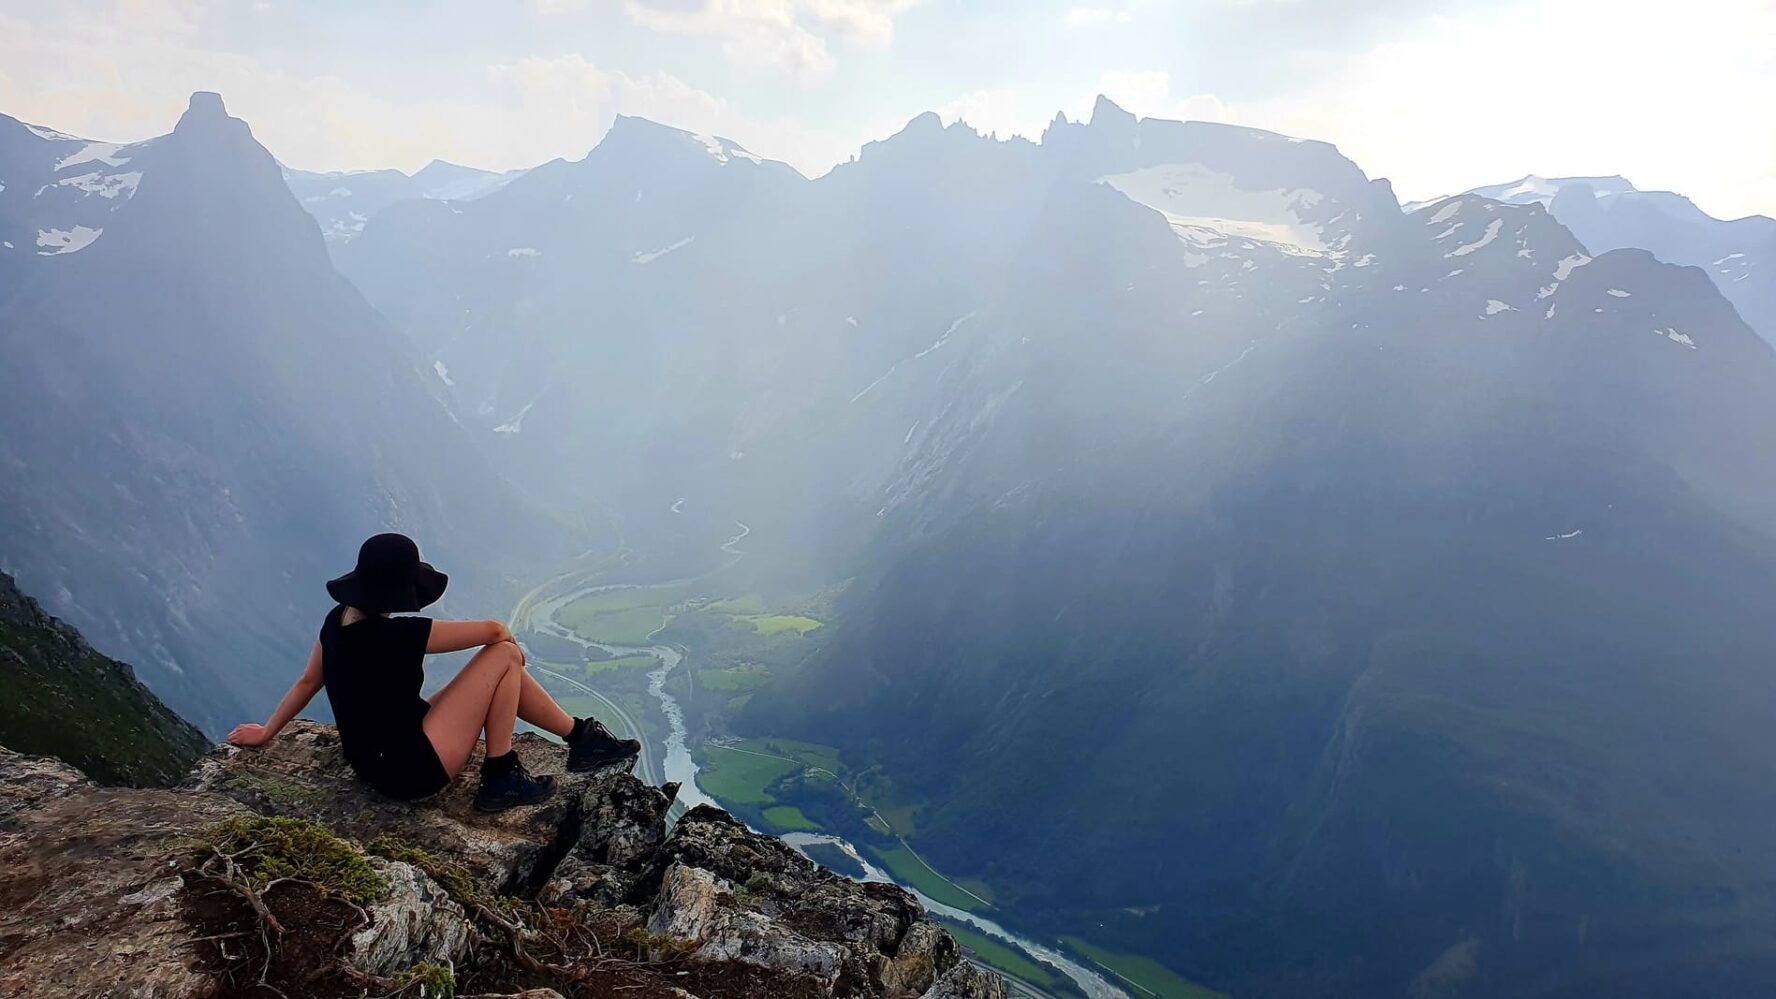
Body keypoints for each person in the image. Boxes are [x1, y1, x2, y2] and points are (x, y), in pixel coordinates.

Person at [227, 532, 639, 811]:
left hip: (377, 759)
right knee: (504, 657)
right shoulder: (398, 634)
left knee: (499, 665)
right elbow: (495, 632)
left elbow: (307, 681)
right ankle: (501, 776)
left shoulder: (336, 622)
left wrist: (267, 731)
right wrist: (513, 645)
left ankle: (580, 737)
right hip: (411, 769)